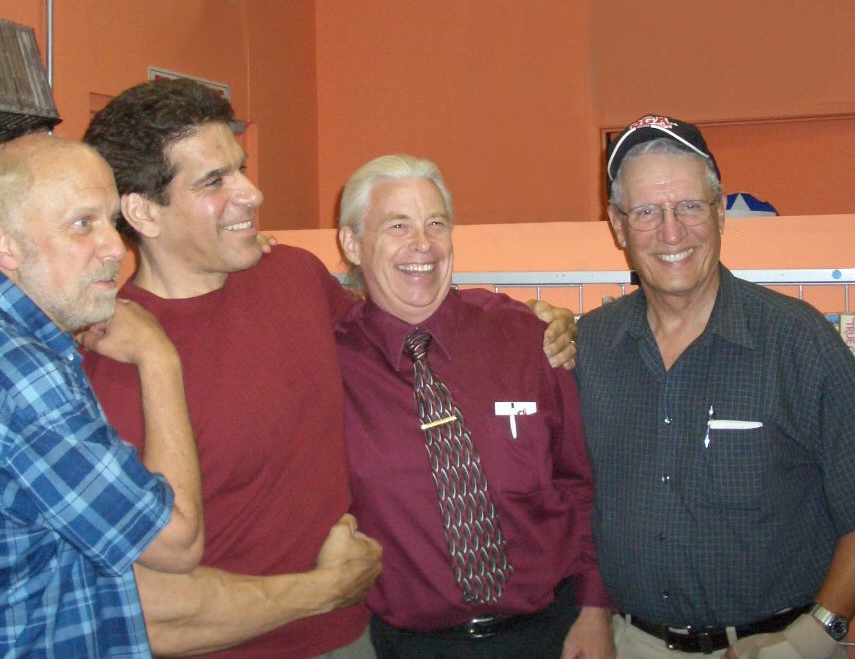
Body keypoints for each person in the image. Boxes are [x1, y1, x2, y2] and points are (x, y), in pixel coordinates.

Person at [82, 78, 579, 659]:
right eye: (216, 181)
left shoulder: (293, 277)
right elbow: (142, 611)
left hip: (355, 640)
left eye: (240, 168)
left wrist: (530, 320)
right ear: (143, 211)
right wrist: (318, 593)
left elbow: (404, 319)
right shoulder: (108, 365)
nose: (253, 193)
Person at [0, 133, 205, 656]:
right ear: (5, 244)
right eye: (82, 224)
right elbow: (178, 542)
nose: (116, 247)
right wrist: (160, 361)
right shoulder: (20, 376)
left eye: (111, 221)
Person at [576, 114, 855, 658]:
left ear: (720, 210)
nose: (671, 232)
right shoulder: (589, 347)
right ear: (616, 224)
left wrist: (813, 636)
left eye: (688, 206)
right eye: (647, 212)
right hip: (630, 644)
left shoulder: (799, 344)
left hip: (776, 645)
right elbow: (571, 499)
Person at [335, 154, 614, 659]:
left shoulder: (524, 337)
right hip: (408, 647)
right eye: (398, 225)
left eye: (436, 224)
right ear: (352, 243)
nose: (422, 245)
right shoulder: (330, 364)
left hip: (550, 635)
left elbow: (580, 483)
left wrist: (595, 608)